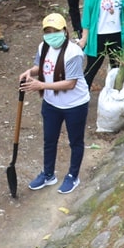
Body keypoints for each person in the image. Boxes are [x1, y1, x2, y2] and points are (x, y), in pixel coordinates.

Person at [17, 13, 89, 195]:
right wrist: (29, 72)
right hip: (51, 104)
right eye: (47, 31)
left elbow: (70, 83)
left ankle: (73, 175)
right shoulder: (44, 47)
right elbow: (41, 67)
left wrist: (41, 85)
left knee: (75, 141)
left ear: (64, 31)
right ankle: (48, 173)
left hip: (75, 105)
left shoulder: (74, 53)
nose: (51, 35)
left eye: (55, 31)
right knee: (49, 139)